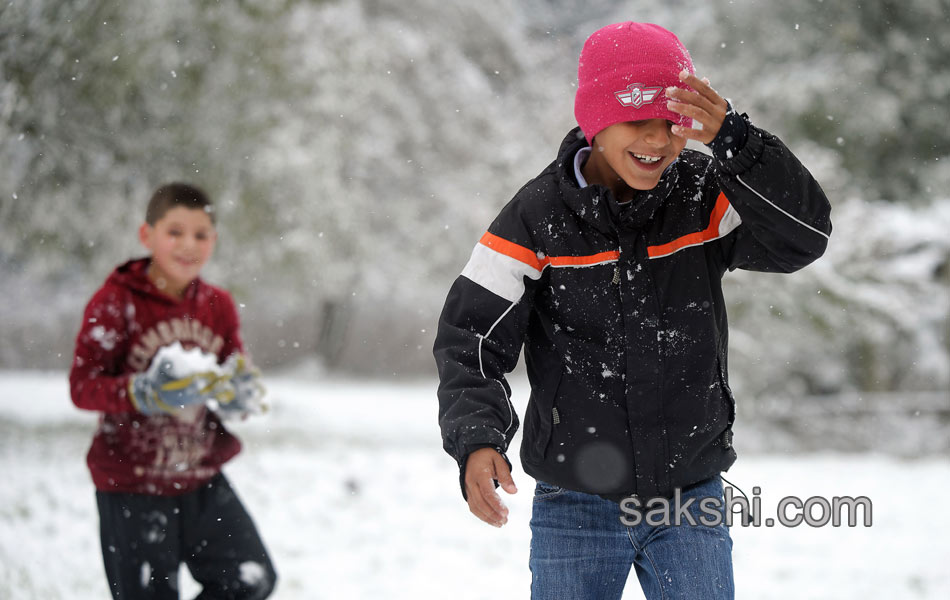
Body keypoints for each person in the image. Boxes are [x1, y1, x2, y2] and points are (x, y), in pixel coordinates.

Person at [434, 22, 831, 599]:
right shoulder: (534, 220)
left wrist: (737, 144)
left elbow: (803, 237)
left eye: (673, 124)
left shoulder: (702, 196)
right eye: (636, 120)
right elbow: (471, 340)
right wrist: (477, 439)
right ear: (595, 120)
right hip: (574, 503)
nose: (658, 140)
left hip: (690, 497)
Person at [70, 182, 277, 599]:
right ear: (147, 235)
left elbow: (234, 369)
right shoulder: (115, 303)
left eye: (201, 234)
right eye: (175, 232)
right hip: (132, 483)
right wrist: (139, 392)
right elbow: (83, 387)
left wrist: (237, 394)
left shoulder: (217, 304)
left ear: (214, 240)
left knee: (249, 579)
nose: (189, 245)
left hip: (199, 477)